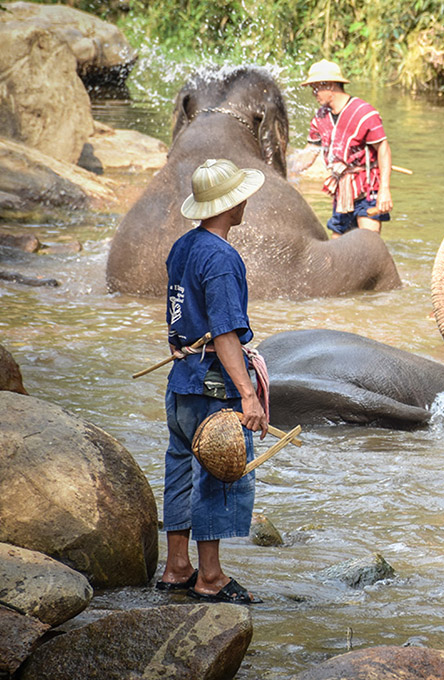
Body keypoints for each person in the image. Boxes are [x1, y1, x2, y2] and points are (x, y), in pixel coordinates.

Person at [156, 158, 269, 605]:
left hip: (181, 378)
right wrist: (248, 396)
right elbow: (224, 333)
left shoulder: (183, 246)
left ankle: (175, 567)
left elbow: (177, 311)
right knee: (217, 474)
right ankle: (211, 577)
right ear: (232, 203)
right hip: (212, 386)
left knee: (180, 468)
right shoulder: (222, 258)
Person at [293, 59, 393, 236]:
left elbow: (383, 149)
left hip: (366, 190)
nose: (314, 94)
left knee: (368, 245)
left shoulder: (364, 113)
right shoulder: (320, 117)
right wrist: (288, 170)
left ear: (330, 86)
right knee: (338, 252)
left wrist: (385, 190)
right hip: (342, 193)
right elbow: (310, 153)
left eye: (316, 88)